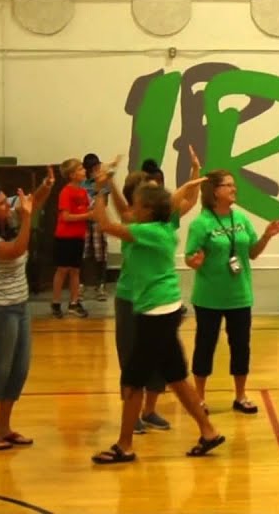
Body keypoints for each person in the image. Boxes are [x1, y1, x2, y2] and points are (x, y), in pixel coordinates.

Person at [90, 179, 226, 464]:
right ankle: (209, 431)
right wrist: (188, 183)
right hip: (165, 309)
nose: (132, 209)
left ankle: (124, 445)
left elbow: (105, 224)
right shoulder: (161, 227)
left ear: (149, 210)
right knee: (176, 377)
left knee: (133, 380)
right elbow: (163, 203)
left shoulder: (149, 231)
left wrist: (100, 189)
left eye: (137, 204)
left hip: (156, 314)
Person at [100, 150, 203, 434]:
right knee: (135, 361)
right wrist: (107, 183)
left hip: (154, 304)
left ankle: (147, 414)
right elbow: (117, 214)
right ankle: (133, 424)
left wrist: (194, 174)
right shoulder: (135, 220)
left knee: (159, 368)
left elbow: (185, 200)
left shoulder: (158, 225)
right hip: (132, 297)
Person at [185, 170, 279, 415]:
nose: (234, 189)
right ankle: (199, 397)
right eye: (228, 185)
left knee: (241, 346)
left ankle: (240, 395)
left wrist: (266, 236)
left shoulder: (240, 219)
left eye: (234, 185)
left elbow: (251, 253)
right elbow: (190, 257)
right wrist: (195, 261)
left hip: (239, 295)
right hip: (209, 297)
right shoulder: (201, 223)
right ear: (214, 191)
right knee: (205, 345)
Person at [0, 169, 54, 450]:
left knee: (18, 370)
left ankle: (3, 427)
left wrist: (46, 185)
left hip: (20, 306)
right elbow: (17, 250)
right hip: (0, 310)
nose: (9, 206)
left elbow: (35, 202)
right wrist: (28, 217)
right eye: (2, 204)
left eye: (8, 202)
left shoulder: (9, 222)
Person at [52, 159, 92, 318]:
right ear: (72, 174)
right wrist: (88, 215)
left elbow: (86, 209)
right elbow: (66, 217)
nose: (84, 171)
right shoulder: (66, 192)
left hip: (78, 236)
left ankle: (74, 303)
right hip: (64, 236)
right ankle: (56, 303)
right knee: (62, 270)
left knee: (76, 270)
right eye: (80, 168)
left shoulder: (83, 191)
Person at [81, 154, 109, 302]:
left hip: (98, 222)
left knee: (101, 253)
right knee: (84, 253)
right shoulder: (82, 183)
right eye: (96, 167)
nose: (98, 169)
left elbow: (105, 203)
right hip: (83, 221)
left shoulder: (103, 183)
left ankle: (101, 284)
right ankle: (82, 284)